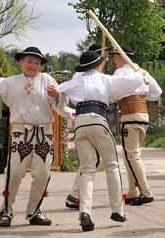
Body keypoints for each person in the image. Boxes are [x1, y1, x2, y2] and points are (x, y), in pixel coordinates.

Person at [0, 46, 74, 227]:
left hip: (43, 133)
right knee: (14, 173)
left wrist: (58, 96)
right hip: (20, 132)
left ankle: (34, 211)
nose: (33, 65)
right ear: (21, 62)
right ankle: (6, 212)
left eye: (37, 62)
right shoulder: (9, 82)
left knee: (42, 174)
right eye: (29, 61)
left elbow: (60, 106)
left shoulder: (47, 79)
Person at [47, 50, 146, 231]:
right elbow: (134, 83)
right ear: (98, 65)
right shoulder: (105, 79)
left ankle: (85, 211)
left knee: (87, 169)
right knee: (112, 165)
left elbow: (57, 99)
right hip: (98, 121)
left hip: (80, 125)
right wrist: (138, 73)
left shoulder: (76, 80)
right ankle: (118, 210)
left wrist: (64, 105)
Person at [112, 46, 162, 206]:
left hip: (130, 117)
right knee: (131, 156)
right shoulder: (142, 72)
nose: (114, 60)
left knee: (131, 156)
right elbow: (157, 92)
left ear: (121, 57)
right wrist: (142, 95)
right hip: (143, 116)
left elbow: (113, 94)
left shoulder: (120, 73)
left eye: (115, 56)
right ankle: (133, 192)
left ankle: (146, 192)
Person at [65, 43, 110, 210]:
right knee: (92, 161)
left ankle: (75, 194)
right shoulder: (81, 76)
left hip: (94, 118)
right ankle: (75, 195)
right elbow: (76, 97)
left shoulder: (97, 76)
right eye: (102, 58)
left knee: (92, 161)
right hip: (86, 117)